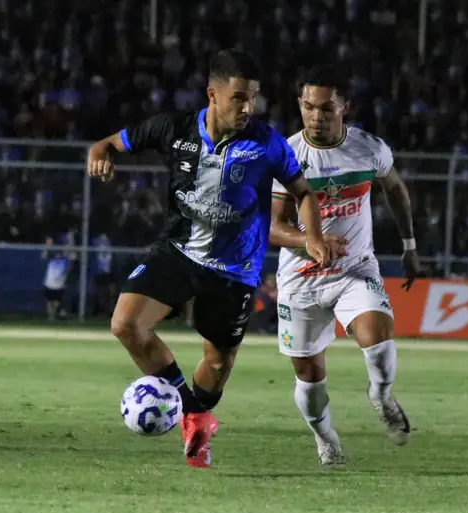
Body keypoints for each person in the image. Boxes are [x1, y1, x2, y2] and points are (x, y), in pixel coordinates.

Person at [86, 49, 330, 468]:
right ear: (212, 95)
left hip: (234, 268)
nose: (247, 107)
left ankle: (195, 427)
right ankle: (194, 417)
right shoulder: (174, 128)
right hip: (179, 249)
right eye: (238, 97)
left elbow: (303, 191)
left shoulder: (266, 142)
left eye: (252, 98)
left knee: (217, 362)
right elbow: (111, 142)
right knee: (126, 324)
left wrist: (313, 237)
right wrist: (99, 152)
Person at [270, 65, 422, 466]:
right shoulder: (286, 156)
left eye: (325, 108)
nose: (316, 117)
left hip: (354, 268)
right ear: (300, 106)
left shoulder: (369, 148)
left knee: (378, 334)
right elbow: (272, 228)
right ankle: (326, 439)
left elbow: (395, 189)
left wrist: (409, 245)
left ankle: (381, 395)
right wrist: (311, 241)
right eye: (308, 108)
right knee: (309, 375)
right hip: (300, 279)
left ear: (344, 108)